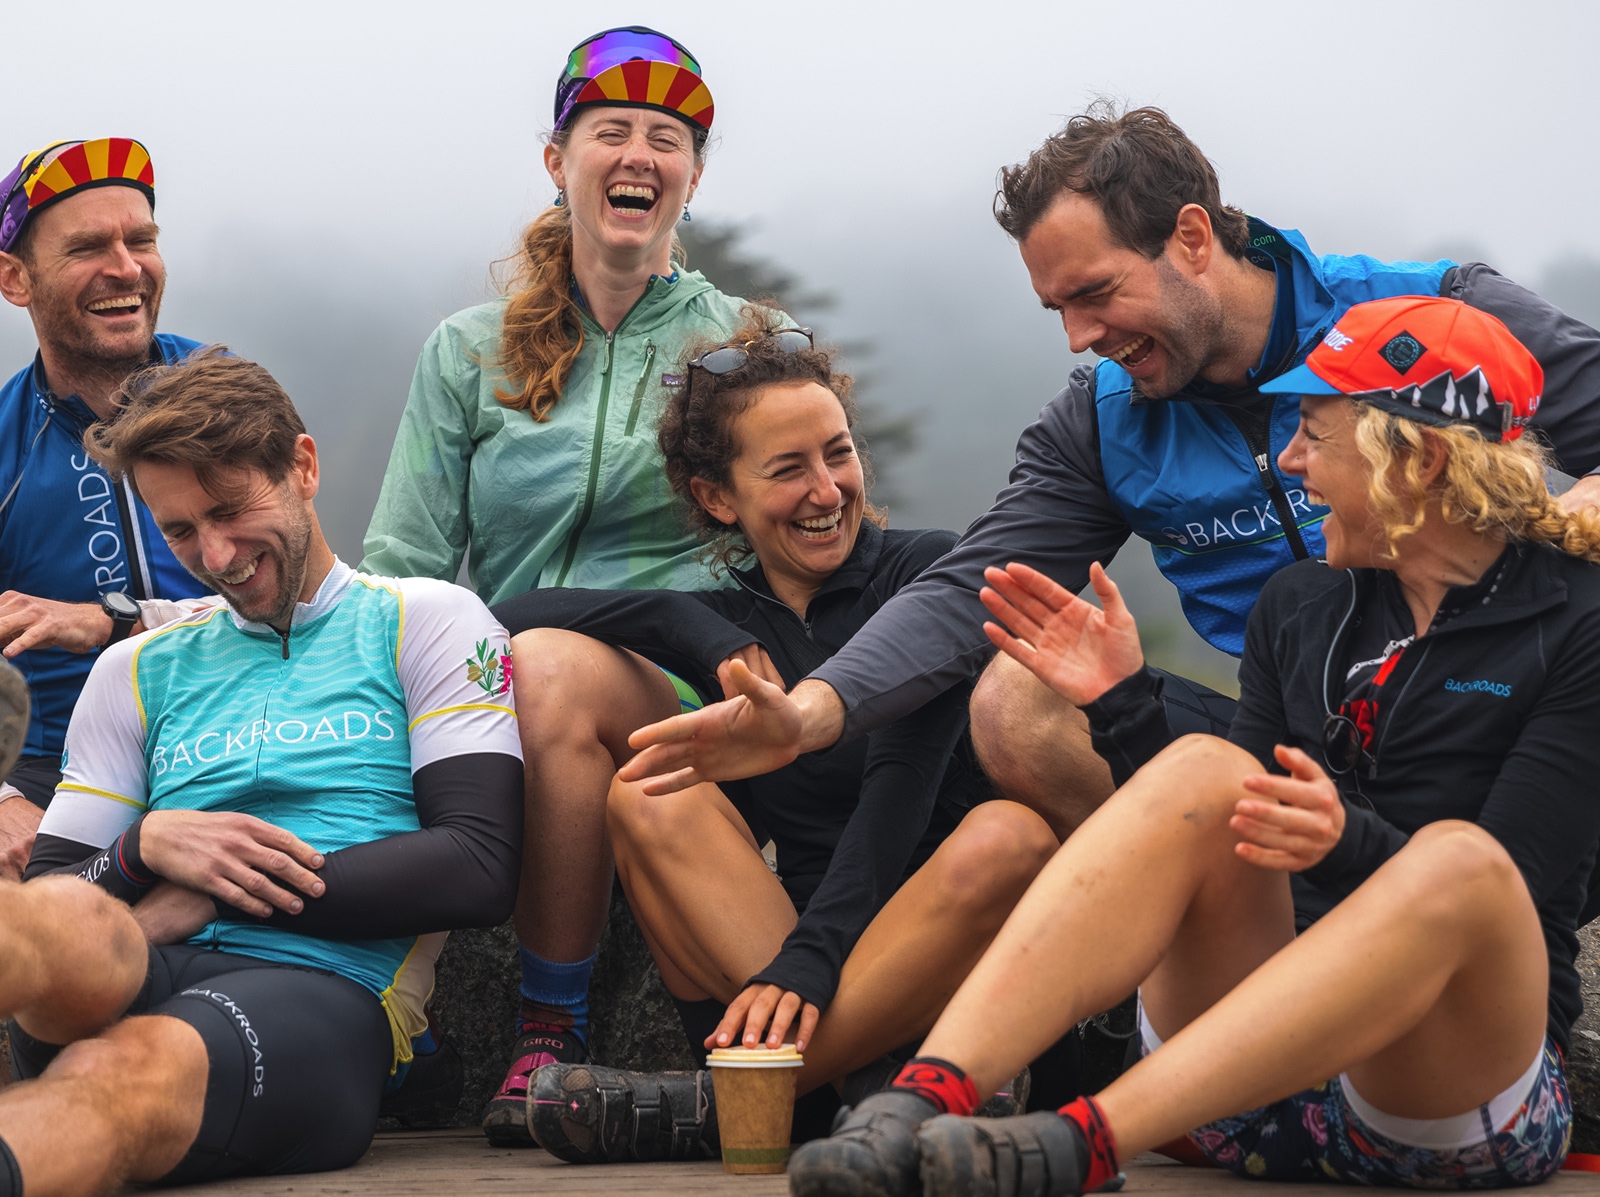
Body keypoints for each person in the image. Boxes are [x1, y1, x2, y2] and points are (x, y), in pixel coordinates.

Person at [618, 103, 1600, 845]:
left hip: (1491, 718)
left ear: (1189, 238)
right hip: (1286, 742)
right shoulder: (1099, 422)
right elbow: (975, 587)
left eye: (1093, 294)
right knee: (1015, 697)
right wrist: (815, 711)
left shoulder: (1430, 323)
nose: (1081, 337)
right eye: (1057, 310)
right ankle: (1224, 967)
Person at [787, 296, 1594, 1196]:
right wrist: (1124, 706)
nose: (1290, 461)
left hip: (1447, 1101)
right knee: (1209, 768)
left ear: (1422, 459)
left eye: (1316, 437)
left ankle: (1082, 1142)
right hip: (1248, 1080)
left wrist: (1347, 840)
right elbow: (1213, 842)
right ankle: (919, 1100)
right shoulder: (1299, 605)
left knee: (1463, 863)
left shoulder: (1576, 622)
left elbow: (1509, 898)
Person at [359, 25, 800, 1143]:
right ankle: (383, 1026)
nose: (638, 155)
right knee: (468, 676)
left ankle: (548, 1032)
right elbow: (407, 567)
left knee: (545, 668)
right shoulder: (467, 352)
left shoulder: (746, 347)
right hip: (496, 680)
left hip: (680, 683)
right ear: (558, 160)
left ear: (692, 179)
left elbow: (803, 544)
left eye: (667, 139)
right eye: (611, 131)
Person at [489, 312, 1058, 1162]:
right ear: (718, 498)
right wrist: (691, 628)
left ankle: (731, 1102)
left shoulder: (926, 575)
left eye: (838, 453)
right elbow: (504, 619)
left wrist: (810, 960)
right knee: (646, 795)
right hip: (775, 959)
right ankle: (873, 1088)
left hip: (926, 961)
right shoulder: (733, 629)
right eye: (789, 468)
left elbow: (896, 795)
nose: (828, 490)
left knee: (1009, 836)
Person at [4, 349, 523, 1193]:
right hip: (125, 964)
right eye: (178, 530)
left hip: (320, 998)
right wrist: (142, 850)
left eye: (230, 508)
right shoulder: (135, 667)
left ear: (304, 467)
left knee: (126, 1067)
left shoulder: (428, 620)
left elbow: (479, 863)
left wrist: (214, 889)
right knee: (63, 926)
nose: (214, 554)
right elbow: (60, 887)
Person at [0, 137, 209, 871]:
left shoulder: (224, 391)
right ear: (15, 280)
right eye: (88, 246)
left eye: (141, 240)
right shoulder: (3, 441)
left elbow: (312, 599)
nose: (126, 268)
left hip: (238, 730)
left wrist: (107, 623)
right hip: (52, 769)